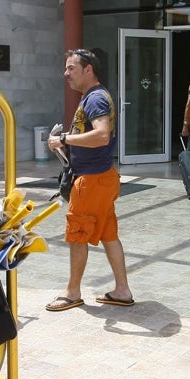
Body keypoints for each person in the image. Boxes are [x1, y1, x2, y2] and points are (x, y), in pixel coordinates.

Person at [45, 49, 134, 312]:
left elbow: (102, 135)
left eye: (71, 68)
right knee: (109, 235)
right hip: (103, 177)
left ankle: (72, 292)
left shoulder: (95, 99)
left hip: (92, 181)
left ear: (88, 70)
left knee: (78, 235)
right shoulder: (94, 97)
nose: (66, 73)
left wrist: (63, 140)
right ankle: (122, 290)